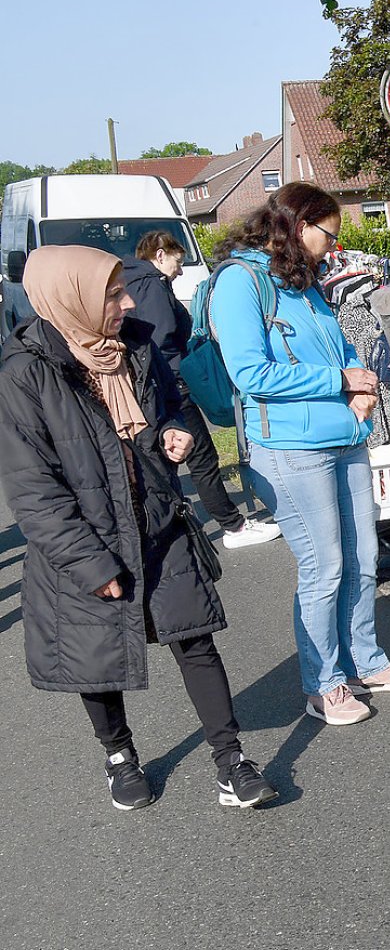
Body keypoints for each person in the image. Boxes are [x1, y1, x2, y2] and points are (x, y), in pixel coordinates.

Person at [0, 245, 277, 810]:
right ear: (70, 298)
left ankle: (231, 762)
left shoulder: (137, 346)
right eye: (112, 294)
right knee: (96, 657)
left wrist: (177, 429)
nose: (128, 302)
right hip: (88, 541)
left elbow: (172, 403)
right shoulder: (24, 375)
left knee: (195, 638)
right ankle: (119, 755)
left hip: (157, 520)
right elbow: (33, 490)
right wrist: (89, 563)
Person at [210, 182, 390, 726]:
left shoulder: (302, 283)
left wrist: (360, 384)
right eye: (327, 235)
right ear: (297, 224)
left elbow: (342, 348)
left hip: (343, 437)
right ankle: (323, 683)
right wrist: (339, 378)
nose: (332, 247)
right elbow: (249, 373)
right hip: (287, 448)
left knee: (362, 557)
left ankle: (366, 662)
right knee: (324, 565)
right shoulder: (240, 284)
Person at [122, 230, 281, 549]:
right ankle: (233, 526)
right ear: (160, 254)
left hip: (149, 384)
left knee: (161, 460)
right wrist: (183, 370)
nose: (180, 271)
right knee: (202, 457)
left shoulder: (132, 281)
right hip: (169, 383)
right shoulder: (152, 284)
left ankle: (159, 529)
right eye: (178, 262)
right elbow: (162, 336)